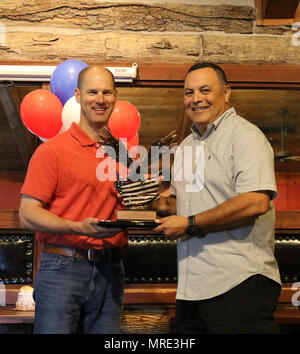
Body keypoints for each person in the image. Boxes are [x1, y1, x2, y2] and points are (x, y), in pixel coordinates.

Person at [153, 62, 282, 334]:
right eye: (189, 92)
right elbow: (189, 202)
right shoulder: (187, 146)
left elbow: (255, 201)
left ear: (226, 93)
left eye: (205, 90)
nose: (196, 98)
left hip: (239, 281)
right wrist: (156, 203)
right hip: (192, 286)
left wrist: (189, 223)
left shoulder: (245, 136)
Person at [19, 65, 127, 334]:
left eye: (106, 92)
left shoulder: (123, 154)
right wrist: (77, 227)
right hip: (62, 268)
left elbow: (132, 205)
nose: (99, 99)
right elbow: (28, 214)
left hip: (112, 268)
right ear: (78, 95)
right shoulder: (52, 151)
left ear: (115, 95)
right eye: (92, 92)